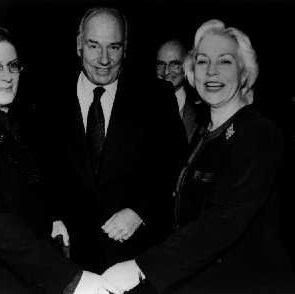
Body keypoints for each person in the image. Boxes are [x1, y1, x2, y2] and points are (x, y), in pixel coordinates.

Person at [102, 19, 295, 293]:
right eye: (203, 61)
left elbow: (221, 222)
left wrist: (145, 267)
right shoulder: (205, 132)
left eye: (225, 61)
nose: (212, 71)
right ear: (193, 72)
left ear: (244, 73)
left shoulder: (258, 133)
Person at [0, 25, 117, 294]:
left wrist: (53, 217)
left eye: (13, 66)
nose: (7, 76)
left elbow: (35, 186)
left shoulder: (22, 125)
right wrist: (73, 279)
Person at [36, 6, 187, 273]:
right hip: (67, 258)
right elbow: (37, 168)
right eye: (94, 46)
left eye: (114, 47)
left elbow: (174, 165)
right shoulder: (46, 98)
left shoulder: (157, 97)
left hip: (135, 257)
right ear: (79, 44)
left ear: (125, 48)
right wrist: (52, 216)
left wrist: (140, 211)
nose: (104, 59)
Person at [156, 39, 207, 144]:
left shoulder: (203, 109)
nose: (166, 71)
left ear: (186, 66)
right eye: (161, 64)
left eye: (174, 64)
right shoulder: (141, 104)